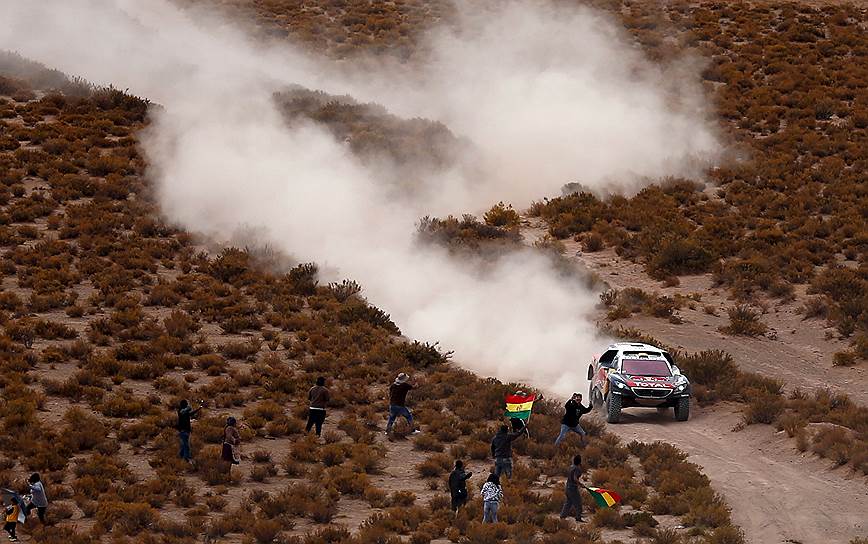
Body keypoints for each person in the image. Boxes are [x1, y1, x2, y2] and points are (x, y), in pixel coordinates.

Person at [177, 399, 203, 463]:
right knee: (186, 445)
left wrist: (198, 409)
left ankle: (181, 456)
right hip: (184, 430)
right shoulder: (181, 411)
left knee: (184, 444)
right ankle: (186, 457)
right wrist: (190, 406)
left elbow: (191, 413)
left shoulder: (184, 413)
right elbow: (188, 409)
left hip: (185, 430)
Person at [560, 454, 584, 522]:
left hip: (567, 487)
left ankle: (562, 516)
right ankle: (578, 517)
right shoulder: (577, 468)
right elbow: (575, 478)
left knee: (568, 502)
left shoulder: (571, 467)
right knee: (578, 503)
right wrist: (580, 484)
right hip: (573, 488)